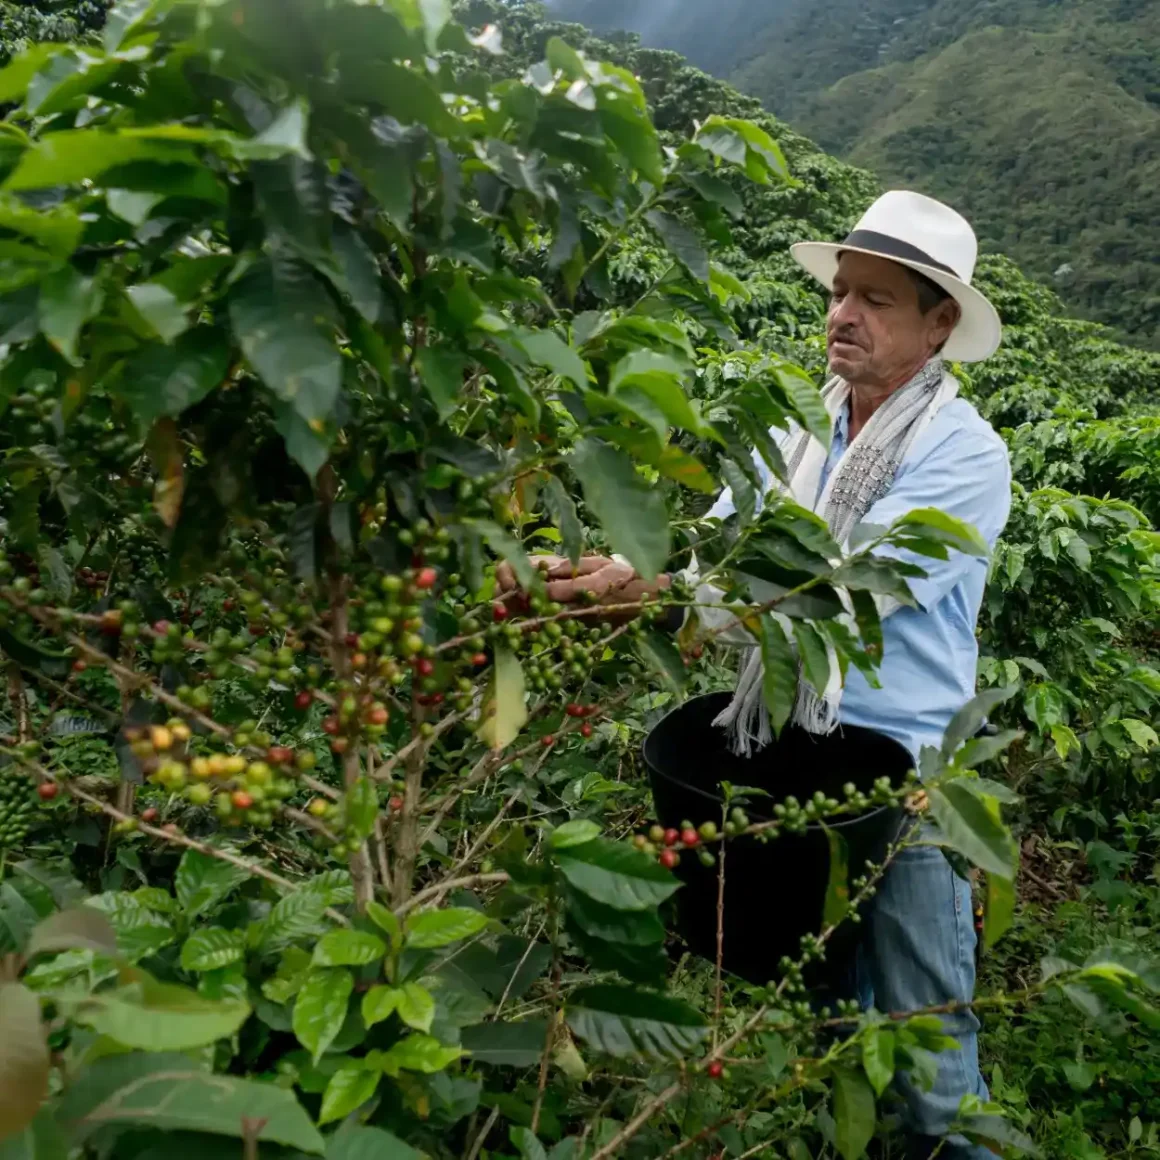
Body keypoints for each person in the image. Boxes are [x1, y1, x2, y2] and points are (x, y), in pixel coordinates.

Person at [499, 190, 1011, 1157]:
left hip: (904, 775)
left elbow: (841, 600)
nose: (843, 317)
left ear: (940, 325)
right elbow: (716, 558)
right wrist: (619, 573)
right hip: (794, 747)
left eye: (878, 302)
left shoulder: (965, 456)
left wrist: (652, 594)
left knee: (928, 1052)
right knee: (829, 1013)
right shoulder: (796, 430)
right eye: (840, 293)